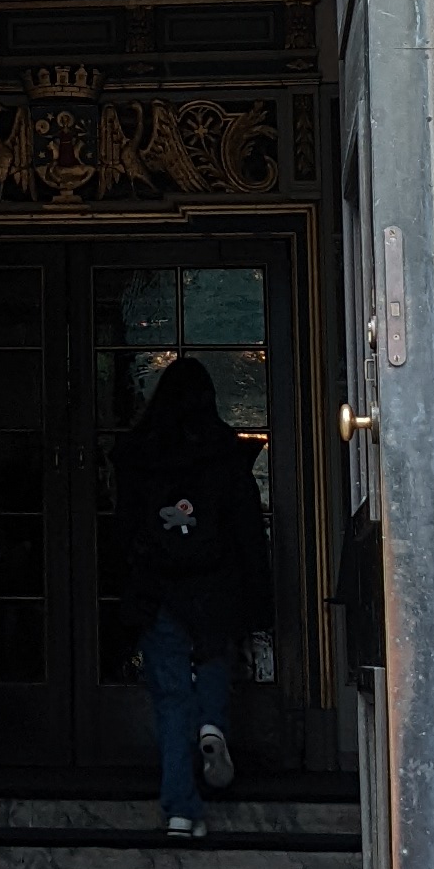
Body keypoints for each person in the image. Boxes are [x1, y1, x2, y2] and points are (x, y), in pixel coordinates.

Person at [114, 352, 272, 839]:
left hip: (158, 583)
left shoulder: (139, 453)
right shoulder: (226, 452)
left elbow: (125, 528)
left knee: (169, 694)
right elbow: (246, 528)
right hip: (214, 580)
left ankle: (181, 809)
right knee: (212, 663)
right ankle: (212, 725)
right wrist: (259, 597)